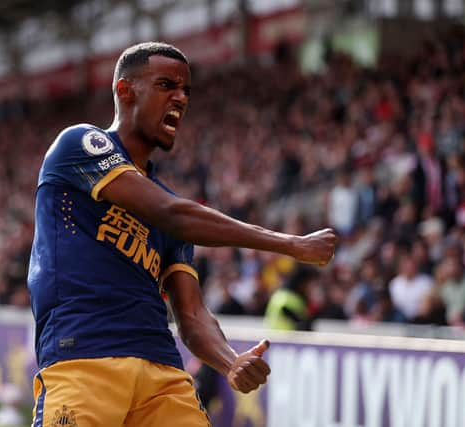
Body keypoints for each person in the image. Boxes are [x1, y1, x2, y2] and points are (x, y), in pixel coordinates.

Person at [27, 42, 337, 427]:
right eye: (166, 85)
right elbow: (170, 213)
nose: (180, 98)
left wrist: (230, 361)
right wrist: (288, 244)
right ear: (125, 90)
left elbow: (190, 314)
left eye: (186, 90)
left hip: (162, 376)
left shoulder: (171, 210)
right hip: (85, 358)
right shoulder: (81, 145)